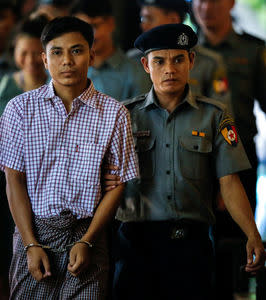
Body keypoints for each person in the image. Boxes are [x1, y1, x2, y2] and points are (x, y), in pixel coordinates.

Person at [0, 16, 139, 299]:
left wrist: (87, 241)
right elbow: (14, 180)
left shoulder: (115, 114)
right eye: (57, 52)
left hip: (88, 235)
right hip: (34, 233)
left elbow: (117, 186)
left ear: (91, 55)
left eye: (77, 50)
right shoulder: (20, 109)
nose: (67, 60)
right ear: (44, 59)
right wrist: (31, 245)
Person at [111, 23, 265, 300]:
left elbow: (229, 182)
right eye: (159, 61)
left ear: (191, 61)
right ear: (146, 65)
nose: (170, 69)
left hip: (191, 243)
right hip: (135, 243)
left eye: (178, 59)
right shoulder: (124, 116)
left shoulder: (215, 116)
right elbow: (106, 181)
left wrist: (252, 234)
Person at [192, 0, 266, 297]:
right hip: (192, 162)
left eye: (215, 0)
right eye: (199, 0)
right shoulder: (181, 52)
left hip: (240, 158)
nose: (206, 7)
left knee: (236, 243)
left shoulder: (254, 50)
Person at [0, 15, 49, 300]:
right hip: (0, 188)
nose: (30, 59)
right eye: (23, 52)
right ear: (15, 53)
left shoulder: (56, 90)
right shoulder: (0, 88)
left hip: (41, 191)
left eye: (36, 53)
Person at [127, 0, 231, 105]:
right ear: (145, 64)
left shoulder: (209, 62)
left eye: (149, 19)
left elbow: (221, 112)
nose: (143, 25)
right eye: (142, 19)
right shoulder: (131, 61)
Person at [71, 0, 150, 101]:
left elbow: (141, 116)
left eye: (94, 26)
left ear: (111, 23)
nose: (87, 35)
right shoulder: (66, 70)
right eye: (80, 29)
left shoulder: (136, 73)